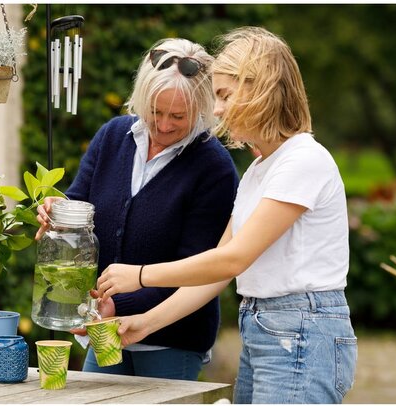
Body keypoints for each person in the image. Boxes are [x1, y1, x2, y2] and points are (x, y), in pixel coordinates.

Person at [97, 27, 358, 403]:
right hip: (267, 330)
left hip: (300, 330)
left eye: (224, 95)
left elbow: (234, 258)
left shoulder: (304, 159)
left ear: (260, 89)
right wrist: (144, 324)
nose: (216, 110)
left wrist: (139, 275)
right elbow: (218, 272)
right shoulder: (259, 171)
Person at [35, 37, 239, 380]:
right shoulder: (113, 136)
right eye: (155, 111)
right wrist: (58, 210)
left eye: (178, 116)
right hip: (105, 330)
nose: (163, 125)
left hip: (172, 342)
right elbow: (79, 201)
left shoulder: (213, 168)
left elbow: (196, 268)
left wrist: (121, 305)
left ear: (202, 109)